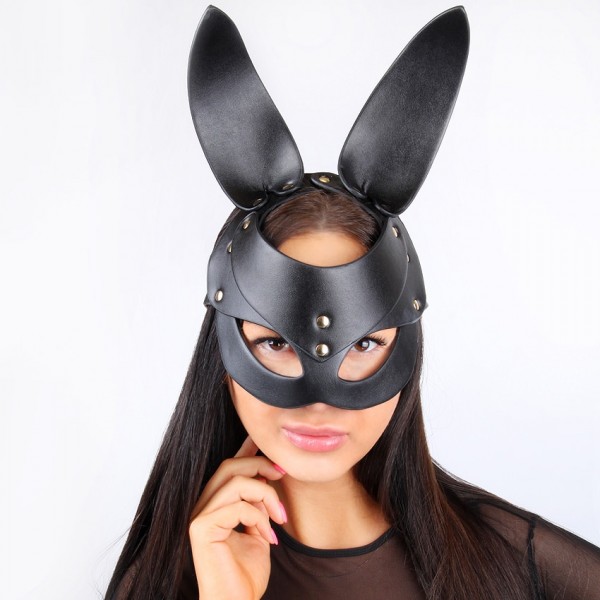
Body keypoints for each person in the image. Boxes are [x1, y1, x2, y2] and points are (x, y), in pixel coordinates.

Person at [105, 6, 600, 599]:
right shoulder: (168, 582)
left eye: (363, 343)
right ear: (223, 351)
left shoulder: (515, 561)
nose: (320, 400)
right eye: (275, 342)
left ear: (406, 342)